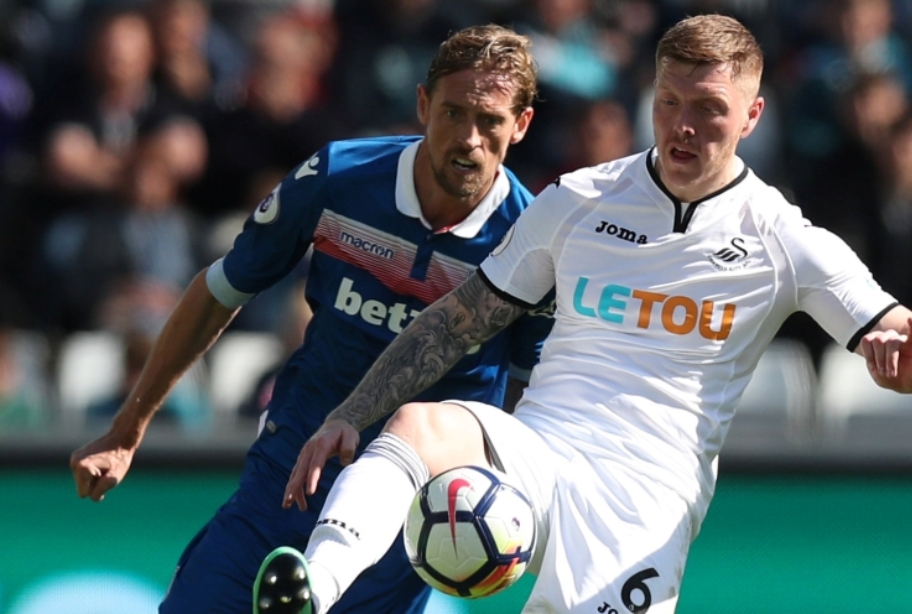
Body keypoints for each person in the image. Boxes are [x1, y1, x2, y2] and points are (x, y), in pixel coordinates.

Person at [255, 14, 912, 614]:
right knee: (419, 425)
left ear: (752, 116)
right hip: (539, 455)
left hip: (643, 507)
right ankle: (315, 586)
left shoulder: (782, 240)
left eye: (708, 109)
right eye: (669, 102)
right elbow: (457, 320)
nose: (682, 126)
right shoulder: (580, 200)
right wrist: (353, 412)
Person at [69, 24, 551, 614]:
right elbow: (221, 290)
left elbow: (533, 393)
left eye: (490, 121)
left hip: (412, 519)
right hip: (289, 473)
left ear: (521, 125)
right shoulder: (339, 178)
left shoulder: (532, 241)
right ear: (423, 105)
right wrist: (127, 429)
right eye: (453, 113)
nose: (469, 138)